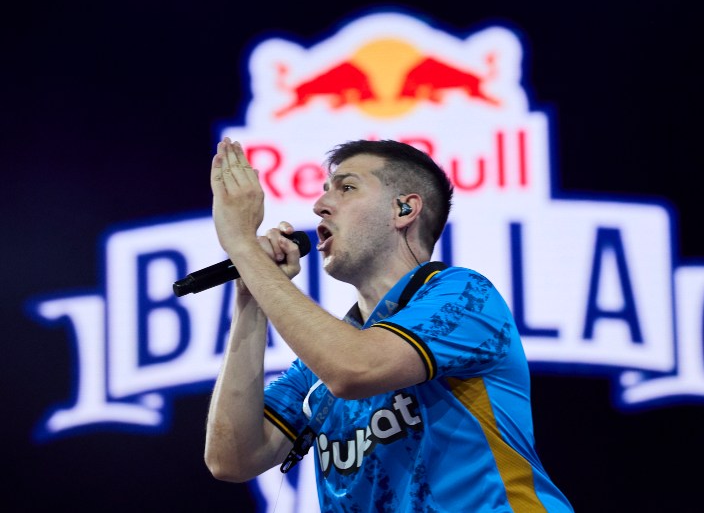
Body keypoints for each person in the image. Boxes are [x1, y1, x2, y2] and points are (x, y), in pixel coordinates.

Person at [203, 136, 574, 512]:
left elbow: (354, 368)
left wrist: (243, 246)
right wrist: (251, 295)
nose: (319, 206)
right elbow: (231, 459)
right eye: (325, 190)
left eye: (347, 188)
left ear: (403, 209)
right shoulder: (315, 370)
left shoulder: (465, 296)